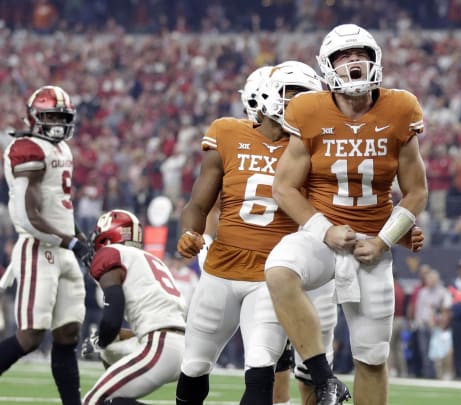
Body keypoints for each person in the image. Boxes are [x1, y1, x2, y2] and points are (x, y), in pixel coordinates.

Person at [265, 23, 428, 405]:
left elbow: (417, 191)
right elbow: (284, 187)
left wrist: (385, 239)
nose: (354, 60)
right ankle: (324, 378)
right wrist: (324, 230)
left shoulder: (401, 107)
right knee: (279, 270)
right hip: (323, 235)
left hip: (372, 244)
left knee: (371, 359)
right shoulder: (307, 109)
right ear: (328, 66)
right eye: (343, 55)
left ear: (376, 62)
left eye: (362, 54)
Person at [175, 61, 334, 405]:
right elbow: (198, 205)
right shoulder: (228, 132)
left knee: (261, 365)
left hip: (269, 275)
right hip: (219, 270)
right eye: (296, 94)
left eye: (309, 98)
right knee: (194, 365)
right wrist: (190, 232)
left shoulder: (312, 148)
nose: (302, 104)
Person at [0, 85, 93, 405]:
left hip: (64, 250)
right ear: (34, 116)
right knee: (30, 337)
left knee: (68, 335)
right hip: (39, 250)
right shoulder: (27, 147)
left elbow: (59, 205)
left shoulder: (62, 150)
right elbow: (26, 215)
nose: (57, 122)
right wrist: (70, 241)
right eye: (50, 115)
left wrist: (79, 237)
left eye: (62, 116)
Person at [81, 209, 186, 405]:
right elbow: (159, 323)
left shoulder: (110, 253)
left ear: (106, 238)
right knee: (113, 392)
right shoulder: (150, 259)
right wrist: (108, 342)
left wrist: (101, 341)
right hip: (180, 347)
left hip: (159, 346)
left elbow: (113, 315)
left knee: (91, 401)